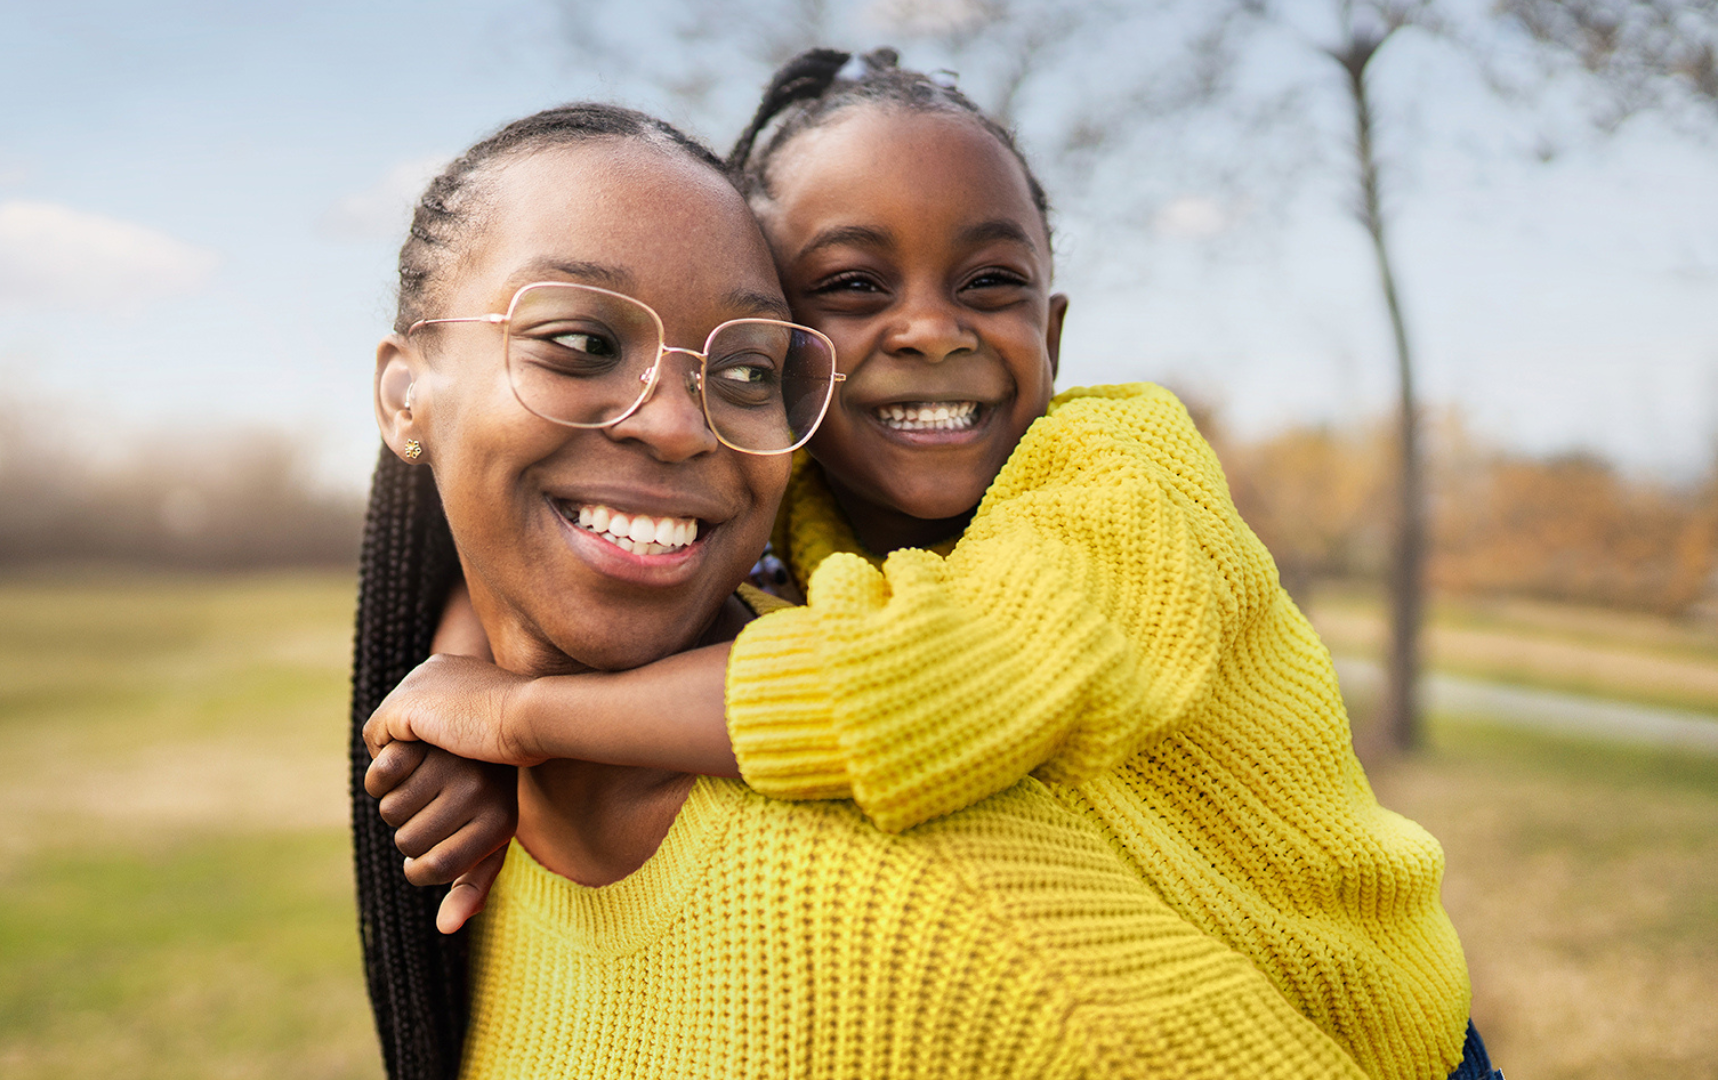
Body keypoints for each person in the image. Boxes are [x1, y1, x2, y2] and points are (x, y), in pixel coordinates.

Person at [364, 53, 1502, 1080]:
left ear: (1053, 335)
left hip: (1376, 1030)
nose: (928, 331)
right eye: (855, 288)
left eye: (990, 283)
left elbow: (909, 685)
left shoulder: (1119, 480)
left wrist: (520, 719)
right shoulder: (772, 474)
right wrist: (441, 713)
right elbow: (550, 559)